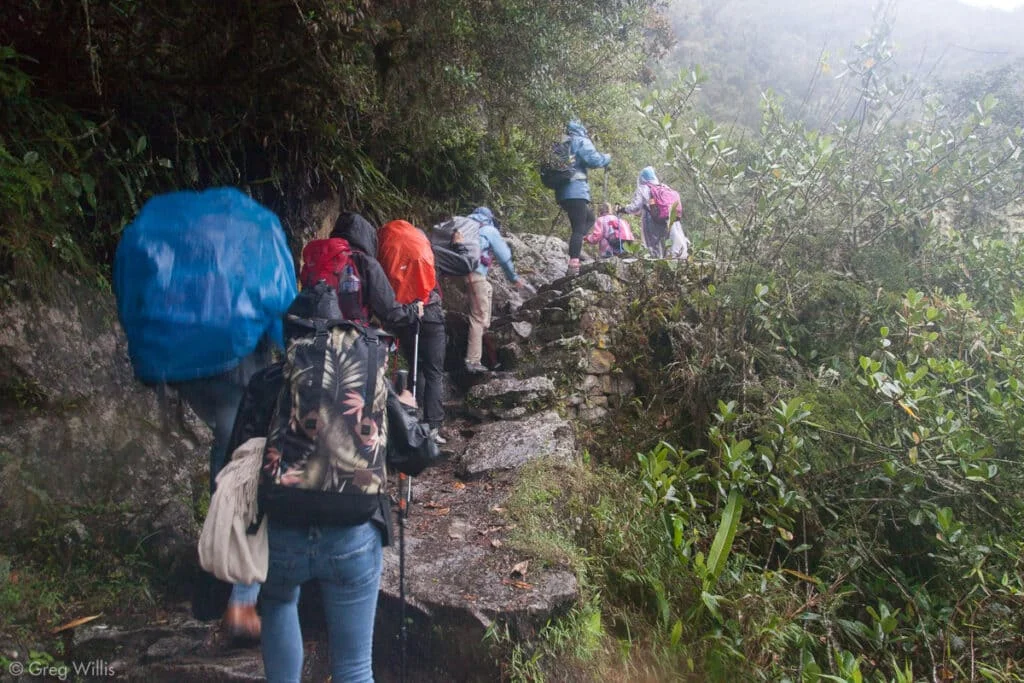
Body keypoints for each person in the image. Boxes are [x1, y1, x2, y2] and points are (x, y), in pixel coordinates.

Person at [227, 342, 430, 682]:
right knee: (354, 668)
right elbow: (418, 454)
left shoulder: (271, 379)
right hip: (352, 533)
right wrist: (406, 410)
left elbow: (235, 456)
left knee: (278, 602)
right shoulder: (369, 378)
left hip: (283, 531)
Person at [377, 218, 464, 444]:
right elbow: (463, 264)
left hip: (405, 315)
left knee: (416, 369)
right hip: (431, 313)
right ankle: (433, 426)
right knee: (433, 371)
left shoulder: (386, 252)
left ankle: (411, 420)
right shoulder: (429, 251)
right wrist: (458, 246)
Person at [463, 207, 532, 374]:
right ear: (489, 218)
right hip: (474, 273)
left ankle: (490, 359)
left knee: (486, 294)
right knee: (479, 318)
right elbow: (504, 255)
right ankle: (472, 361)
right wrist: (514, 278)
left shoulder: (465, 227)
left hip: (460, 274)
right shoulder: (488, 229)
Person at [552, 120, 611, 276]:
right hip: (576, 191)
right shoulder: (580, 141)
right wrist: (606, 158)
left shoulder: (561, 143)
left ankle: (575, 243)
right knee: (578, 227)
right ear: (581, 129)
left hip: (562, 192)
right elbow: (594, 160)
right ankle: (573, 264)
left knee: (590, 218)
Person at [619, 166, 669, 257]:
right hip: (666, 219)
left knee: (652, 244)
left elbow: (635, 207)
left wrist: (623, 209)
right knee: (665, 244)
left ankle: (655, 264)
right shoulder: (663, 187)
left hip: (650, 219)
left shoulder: (643, 188)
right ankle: (666, 264)